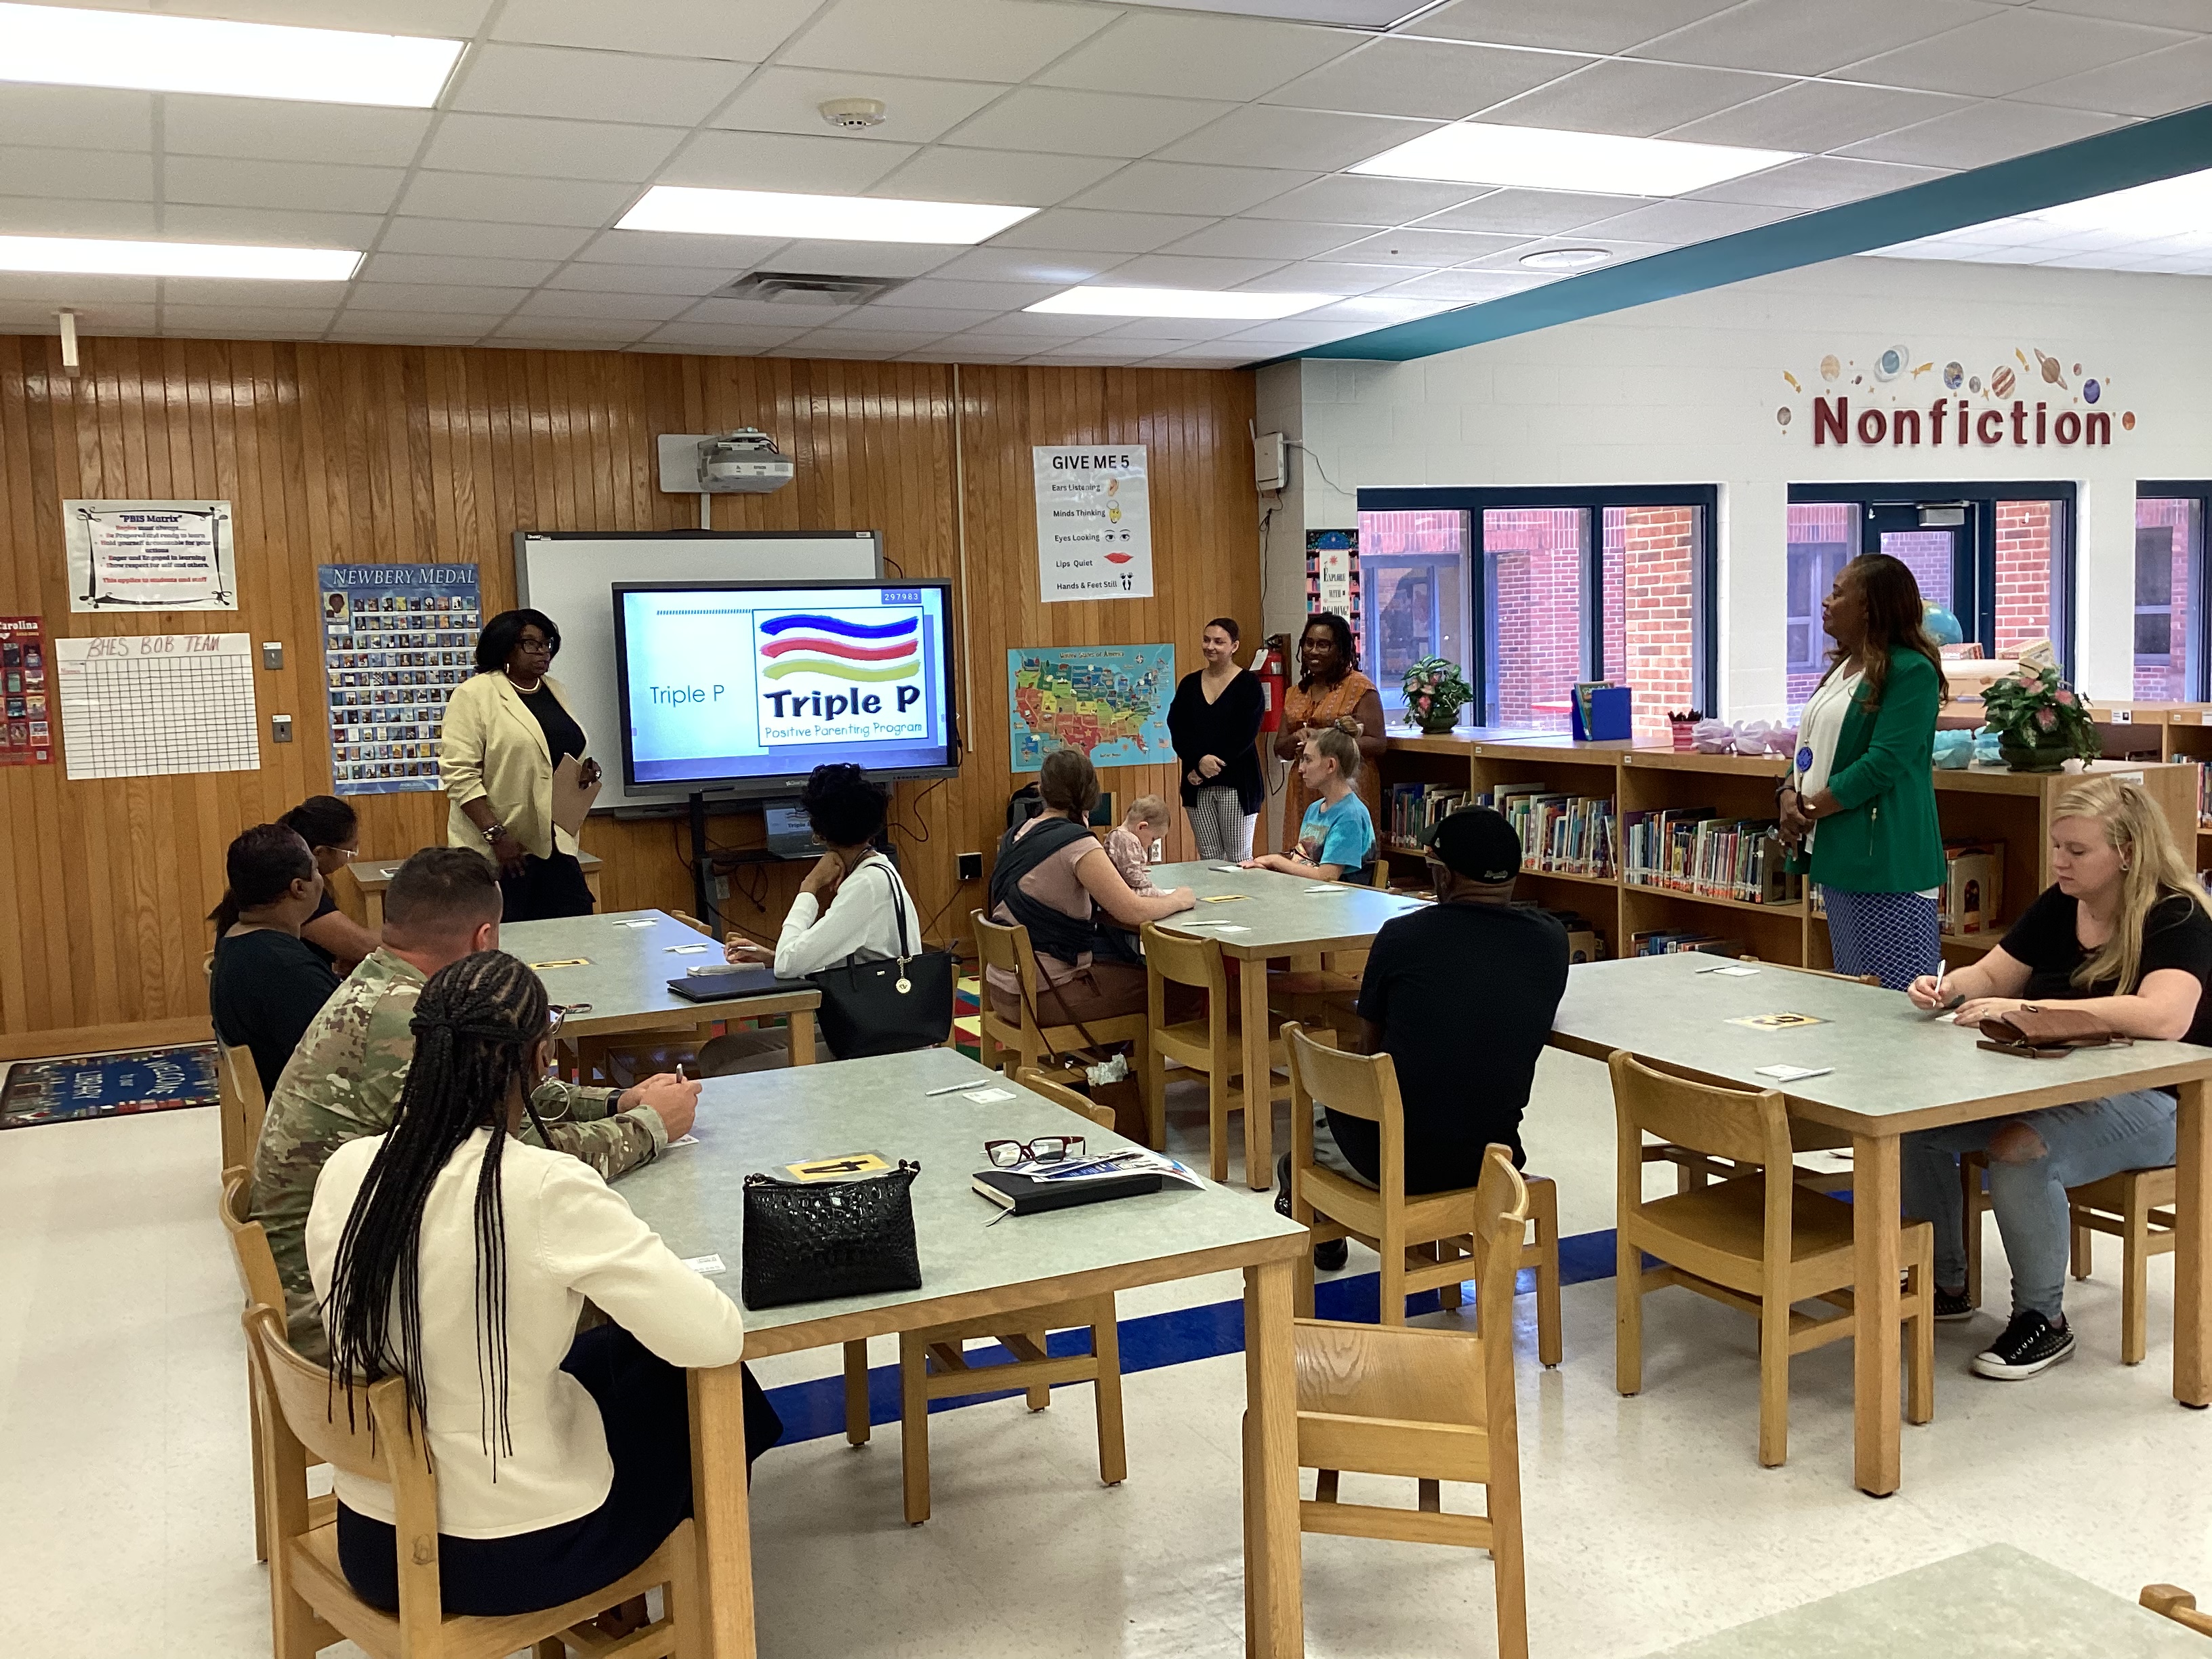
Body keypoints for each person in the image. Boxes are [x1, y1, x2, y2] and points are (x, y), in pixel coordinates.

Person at [308, 949, 779, 1620]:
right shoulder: (540, 1185)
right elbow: (715, 1334)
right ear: (537, 1060)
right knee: (715, 1388)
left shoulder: (347, 1169)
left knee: (626, 1362)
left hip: (373, 1541)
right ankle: (714, 1615)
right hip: (510, 1556)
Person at [253, 847, 696, 1360]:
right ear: (484, 939)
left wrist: (616, 1101)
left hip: (340, 1265)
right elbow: (520, 1161)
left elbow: (496, 1085)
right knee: (626, 1312)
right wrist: (650, 1126)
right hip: (342, 1312)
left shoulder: (390, 986)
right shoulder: (408, 1022)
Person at [1903, 775, 2207, 1380]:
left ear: (2125, 852)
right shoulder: (2060, 904)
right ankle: (1945, 1284)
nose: (2059, 861)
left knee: (2020, 1147)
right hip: (2063, 1082)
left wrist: (2035, 1014)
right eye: (2056, 846)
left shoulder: (2178, 915)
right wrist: (1947, 987)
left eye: (2076, 850)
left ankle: (2043, 1320)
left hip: (2165, 1101)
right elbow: (1994, 975)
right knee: (1916, 1126)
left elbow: (2164, 1017)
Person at [1277, 806, 1570, 1271]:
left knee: (1313, 1124)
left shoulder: (1403, 937)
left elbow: (1371, 1054)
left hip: (1394, 1162)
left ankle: (1309, 1199)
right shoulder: (1553, 942)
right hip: (1494, 1156)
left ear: (1444, 878)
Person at [1779, 553, 1947, 989]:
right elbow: (1810, 746)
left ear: (1871, 606)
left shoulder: (1912, 671)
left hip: (1887, 856)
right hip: (1840, 850)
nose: (1826, 601)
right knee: (1855, 991)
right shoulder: (1842, 667)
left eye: (1838, 593)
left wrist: (1810, 808)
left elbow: (1882, 764)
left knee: (1895, 997)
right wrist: (1787, 794)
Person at [704, 764, 921, 1073]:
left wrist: (809, 888)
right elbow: (831, 953)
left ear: (818, 833)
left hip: (879, 1037)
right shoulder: (878, 869)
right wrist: (774, 956)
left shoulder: (865, 886)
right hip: (871, 1018)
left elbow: (789, 964)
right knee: (718, 1052)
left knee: (727, 1069)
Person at [985, 749, 1195, 1030]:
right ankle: (1133, 1071)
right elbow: (1132, 910)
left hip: (1002, 988)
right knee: (1181, 991)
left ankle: (1114, 1064)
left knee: (1124, 968)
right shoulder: (1077, 843)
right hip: (1045, 994)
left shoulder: (1016, 835)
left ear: (1044, 789)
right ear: (1090, 794)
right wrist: (1178, 900)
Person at [442, 607, 602, 923]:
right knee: (508, 948)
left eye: (547, 643)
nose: (542, 652)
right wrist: (497, 836)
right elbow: (459, 774)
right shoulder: (475, 695)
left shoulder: (556, 690)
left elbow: (554, 752)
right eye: (530, 644)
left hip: (556, 843)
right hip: (501, 851)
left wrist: (583, 770)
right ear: (504, 648)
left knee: (577, 937)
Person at [209, 824, 342, 1097]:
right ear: (299, 888)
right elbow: (343, 1056)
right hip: (301, 1113)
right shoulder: (285, 968)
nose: (321, 879)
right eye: (316, 870)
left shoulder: (237, 939)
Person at [1275, 613, 1385, 857]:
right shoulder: (1296, 692)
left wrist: (1327, 740)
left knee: (1342, 858)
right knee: (1302, 856)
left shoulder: (1360, 688)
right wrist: (1297, 738)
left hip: (1346, 781)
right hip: (1303, 783)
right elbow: (1280, 748)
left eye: (1323, 645)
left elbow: (1378, 743)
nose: (1314, 651)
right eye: (1309, 643)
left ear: (1341, 649)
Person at [1168, 617, 1265, 861]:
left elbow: (1245, 734)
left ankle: (1241, 902)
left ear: (1234, 646)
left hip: (1237, 784)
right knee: (1209, 858)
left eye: (1219, 642)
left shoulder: (1248, 685)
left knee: (1238, 857)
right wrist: (1198, 762)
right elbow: (1177, 728)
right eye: (1206, 640)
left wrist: (1211, 765)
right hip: (1196, 784)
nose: (1210, 646)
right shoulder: (1189, 684)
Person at [1244, 726, 1374, 882]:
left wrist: (1275, 861)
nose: (1301, 769)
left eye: (1308, 760)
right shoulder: (1314, 808)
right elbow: (1304, 861)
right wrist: (1267, 866)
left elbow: (1327, 876)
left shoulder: (1350, 815)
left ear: (1331, 765)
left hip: (1342, 902)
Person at [281, 794, 378, 973]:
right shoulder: (297, 890)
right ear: (320, 852)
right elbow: (362, 946)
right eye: (349, 851)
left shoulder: (284, 869)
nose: (348, 859)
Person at [1104, 794, 1168, 896]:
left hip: (1120, 888)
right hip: (1120, 892)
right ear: (1142, 827)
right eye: (1153, 839)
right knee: (1159, 895)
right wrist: (1149, 884)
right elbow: (1132, 876)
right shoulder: (1128, 839)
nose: (1151, 844)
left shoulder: (1118, 835)